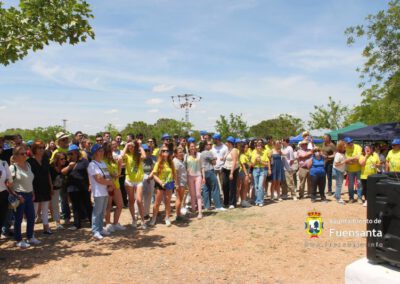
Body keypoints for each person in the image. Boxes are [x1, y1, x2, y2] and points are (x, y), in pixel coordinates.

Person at [10, 146, 41, 248]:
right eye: (22, 154)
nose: (25, 155)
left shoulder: (28, 164)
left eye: (25, 153)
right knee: (18, 219)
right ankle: (18, 239)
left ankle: (30, 236)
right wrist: (17, 196)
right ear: (15, 156)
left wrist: (33, 192)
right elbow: (8, 185)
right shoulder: (12, 168)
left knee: (31, 217)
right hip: (19, 196)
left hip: (29, 194)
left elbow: (30, 180)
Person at [87, 144, 115, 240]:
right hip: (98, 192)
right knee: (97, 212)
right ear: (95, 153)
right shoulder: (92, 165)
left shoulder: (103, 163)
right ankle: (95, 231)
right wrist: (110, 183)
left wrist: (110, 184)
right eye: (100, 151)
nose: (102, 152)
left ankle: (100, 228)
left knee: (102, 212)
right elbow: (99, 179)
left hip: (105, 191)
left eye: (102, 150)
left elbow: (107, 176)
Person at [62, 144, 91, 230]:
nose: (71, 155)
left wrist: (90, 184)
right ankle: (77, 224)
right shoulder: (67, 162)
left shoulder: (84, 161)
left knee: (87, 205)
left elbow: (89, 173)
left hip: (83, 187)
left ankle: (93, 222)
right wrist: (69, 166)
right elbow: (62, 172)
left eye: (73, 153)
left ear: (77, 153)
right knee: (75, 206)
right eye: (70, 153)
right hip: (72, 188)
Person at [27, 140, 53, 235]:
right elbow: (29, 178)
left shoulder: (45, 160)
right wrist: (32, 190)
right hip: (35, 188)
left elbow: (48, 174)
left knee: (45, 208)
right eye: (39, 148)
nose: (42, 149)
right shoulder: (29, 162)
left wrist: (51, 186)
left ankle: (46, 228)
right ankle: (31, 231)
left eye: (43, 147)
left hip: (45, 187)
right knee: (33, 210)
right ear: (34, 149)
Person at [121, 140, 147, 229]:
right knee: (131, 201)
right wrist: (126, 145)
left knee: (139, 200)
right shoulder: (127, 156)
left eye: (132, 146)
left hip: (139, 180)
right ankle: (134, 219)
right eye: (129, 146)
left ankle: (143, 221)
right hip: (129, 181)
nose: (130, 147)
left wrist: (139, 146)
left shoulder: (138, 155)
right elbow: (121, 156)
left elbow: (144, 156)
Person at [150, 145, 177, 227]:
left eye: (167, 151)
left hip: (169, 184)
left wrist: (175, 183)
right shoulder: (158, 163)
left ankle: (167, 218)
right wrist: (161, 183)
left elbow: (174, 174)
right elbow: (154, 175)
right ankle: (153, 218)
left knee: (167, 202)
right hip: (160, 184)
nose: (165, 152)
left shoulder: (171, 162)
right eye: (163, 151)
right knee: (157, 203)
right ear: (160, 153)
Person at [103, 143, 125, 232]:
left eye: (112, 150)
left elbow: (118, 173)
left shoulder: (114, 159)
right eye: (110, 150)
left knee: (120, 205)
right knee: (108, 206)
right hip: (108, 185)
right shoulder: (103, 160)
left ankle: (115, 223)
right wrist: (112, 176)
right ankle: (108, 224)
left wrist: (120, 164)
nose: (111, 152)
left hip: (116, 185)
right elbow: (104, 174)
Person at [200, 141, 226, 211]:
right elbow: (214, 163)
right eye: (209, 144)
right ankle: (218, 206)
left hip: (203, 172)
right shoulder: (208, 152)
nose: (211, 145)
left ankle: (207, 206)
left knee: (206, 189)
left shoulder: (201, 153)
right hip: (210, 171)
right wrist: (214, 158)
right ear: (205, 145)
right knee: (215, 188)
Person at [186, 141, 204, 218]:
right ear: (189, 147)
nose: (192, 148)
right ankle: (193, 210)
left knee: (198, 194)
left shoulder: (199, 155)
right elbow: (185, 167)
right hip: (190, 177)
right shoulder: (186, 156)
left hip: (198, 176)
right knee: (192, 195)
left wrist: (204, 177)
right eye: (191, 146)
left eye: (194, 146)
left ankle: (200, 212)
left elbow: (202, 166)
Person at [49, 152, 67, 229]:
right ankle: (57, 222)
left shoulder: (64, 166)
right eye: (62, 159)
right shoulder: (51, 167)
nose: (64, 160)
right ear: (57, 160)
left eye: (64, 158)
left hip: (60, 187)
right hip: (52, 189)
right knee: (54, 205)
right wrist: (51, 188)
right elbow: (49, 179)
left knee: (55, 205)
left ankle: (57, 221)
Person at [251, 139, 271, 206]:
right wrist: (255, 161)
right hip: (255, 170)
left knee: (260, 186)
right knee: (256, 186)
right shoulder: (253, 152)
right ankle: (257, 200)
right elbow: (252, 165)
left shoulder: (265, 152)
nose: (259, 147)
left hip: (263, 170)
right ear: (256, 147)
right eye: (257, 146)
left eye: (260, 145)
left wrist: (260, 161)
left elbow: (266, 163)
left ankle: (261, 201)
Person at [221, 136, 240, 209]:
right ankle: (226, 202)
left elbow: (234, 162)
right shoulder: (228, 149)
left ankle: (232, 203)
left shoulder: (234, 150)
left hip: (232, 170)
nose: (225, 143)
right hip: (225, 169)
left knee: (232, 186)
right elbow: (226, 158)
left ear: (230, 143)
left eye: (227, 141)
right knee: (225, 185)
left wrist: (231, 173)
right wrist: (223, 158)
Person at [344, 137, 363, 203]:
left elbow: (358, 157)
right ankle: (351, 198)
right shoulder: (345, 148)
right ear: (346, 143)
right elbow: (346, 160)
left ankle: (359, 198)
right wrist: (352, 160)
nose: (351, 143)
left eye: (351, 141)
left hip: (358, 169)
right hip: (350, 170)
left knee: (359, 184)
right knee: (350, 185)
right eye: (349, 143)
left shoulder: (358, 147)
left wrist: (350, 159)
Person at [173, 147, 188, 221]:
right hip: (180, 183)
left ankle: (178, 214)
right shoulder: (175, 161)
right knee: (179, 199)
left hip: (182, 182)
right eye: (179, 152)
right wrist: (177, 184)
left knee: (180, 199)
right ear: (175, 154)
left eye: (182, 152)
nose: (181, 153)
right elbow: (175, 174)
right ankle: (178, 215)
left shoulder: (180, 160)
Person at [0, 156, 12, 239]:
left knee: (2, 217)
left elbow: (9, 180)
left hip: (3, 193)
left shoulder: (3, 163)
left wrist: (8, 182)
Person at [142, 144, 155, 219]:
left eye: (148, 150)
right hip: (142, 178)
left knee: (148, 197)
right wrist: (145, 177)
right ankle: (137, 213)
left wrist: (150, 176)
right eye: (145, 150)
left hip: (150, 177)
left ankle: (146, 213)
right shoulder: (139, 159)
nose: (147, 152)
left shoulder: (150, 159)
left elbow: (153, 168)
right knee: (140, 197)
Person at [237, 139, 251, 207]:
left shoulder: (244, 155)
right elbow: (243, 166)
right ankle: (243, 201)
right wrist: (246, 175)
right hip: (243, 172)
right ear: (243, 148)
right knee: (244, 187)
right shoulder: (242, 155)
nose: (247, 148)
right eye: (246, 147)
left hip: (245, 172)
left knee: (244, 187)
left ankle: (243, 200)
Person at [332, 140, 347, 205]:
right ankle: (338, 198)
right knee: (339, 184)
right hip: (337, 170)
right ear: (341, 146)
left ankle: (336, 195)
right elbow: (336, 164)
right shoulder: (338, 154)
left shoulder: (343, 153)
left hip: (341, 170)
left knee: (339, 184)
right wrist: (344, 161)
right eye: (344, 145)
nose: (345, 146)